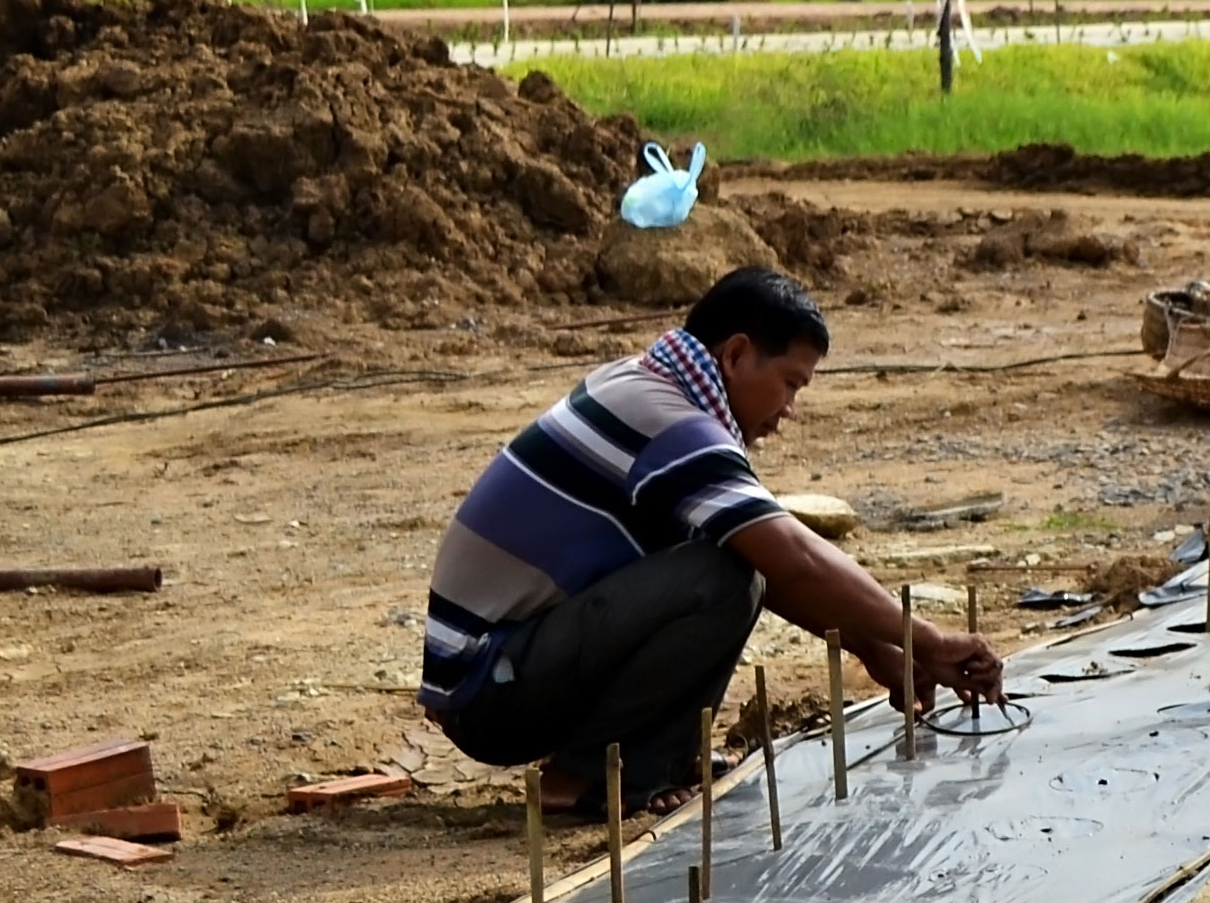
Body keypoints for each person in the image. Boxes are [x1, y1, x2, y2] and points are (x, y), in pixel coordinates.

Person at [420, 267, 1002, 808]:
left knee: (731, 562)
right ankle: (586, 777)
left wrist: (876, 649)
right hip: (492, 691)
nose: (790, 409)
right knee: (724, 577)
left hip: (501, 675)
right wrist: (929, 641)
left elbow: (766, 558)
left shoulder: (650, 386)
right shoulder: (669, 420)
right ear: (738, 354)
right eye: (790, 384)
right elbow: (790, 558)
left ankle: (646, 760)